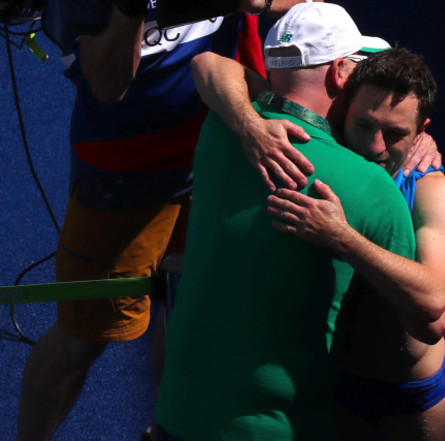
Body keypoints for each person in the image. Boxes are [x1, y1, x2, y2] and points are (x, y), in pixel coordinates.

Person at [15, 1, 314, 440]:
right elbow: (109, 84)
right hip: (125, 177)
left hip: (216, 155)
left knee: (188, 318)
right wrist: (129, 10)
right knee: (84, 336)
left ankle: (165, 431)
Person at [154, 3, 418, 440]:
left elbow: (210, 65)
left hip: (176, 416)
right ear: (339, 75)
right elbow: (407, 326)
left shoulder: (219, 127)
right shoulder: (374, 189)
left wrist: (247, 124)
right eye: (362, 70)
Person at [267, 48, 445, 441]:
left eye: (395, 134)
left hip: (412, 396)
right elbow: (211, 67)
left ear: (421, 131)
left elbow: (433, 314)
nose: (376, 147)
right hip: (336, 386)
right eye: (365, 125)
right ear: (341, 114)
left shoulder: (434, 193)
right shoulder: (323, 154)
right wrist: (249, 124)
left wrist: (341, 237)